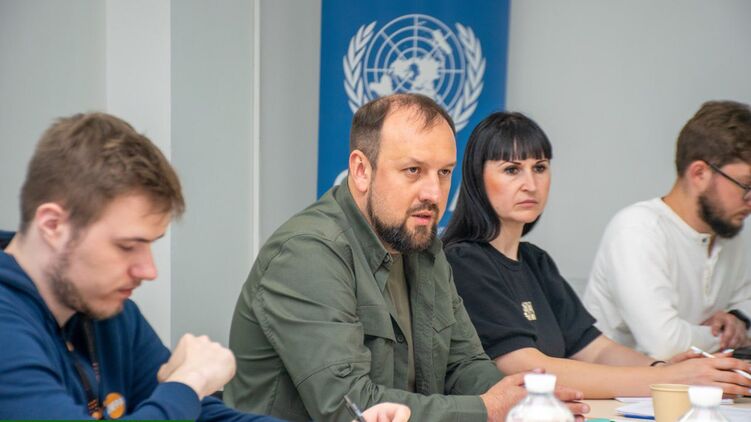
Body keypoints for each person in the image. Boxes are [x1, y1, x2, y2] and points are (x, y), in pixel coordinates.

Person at [0, 112, 408, 422]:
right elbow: (181, 399)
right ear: (53, 225)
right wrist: (189, 381)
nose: (148, 270)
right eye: (127, 246)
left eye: (150, 246)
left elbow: (204, 417)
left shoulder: (108, 312)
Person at [225, 94, 588, 422]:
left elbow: (463, 364)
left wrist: (523, 402)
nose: (434, 193)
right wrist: (488, 409)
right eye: (413, 170)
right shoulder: (307, 253)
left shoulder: (422, 244)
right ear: (361, 170)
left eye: (444, 173)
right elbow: (349, 406)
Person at [442, 111, 751, 398]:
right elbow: (527, 368)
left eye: (540, 167)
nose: (531, 185)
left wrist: (664, 368)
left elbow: (595, 349)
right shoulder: (465, 261)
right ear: (476, 178)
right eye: (512, 170)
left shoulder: (536, 261)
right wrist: (669, 379)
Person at [583, 100, 751, 359]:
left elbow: (745, 307)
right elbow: (666, 345)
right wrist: (729, 337)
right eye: (746, 186)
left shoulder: (728, 232)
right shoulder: (637, 230)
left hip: (700, 381)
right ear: (699, 173)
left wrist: (737, 319)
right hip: (626, 383)